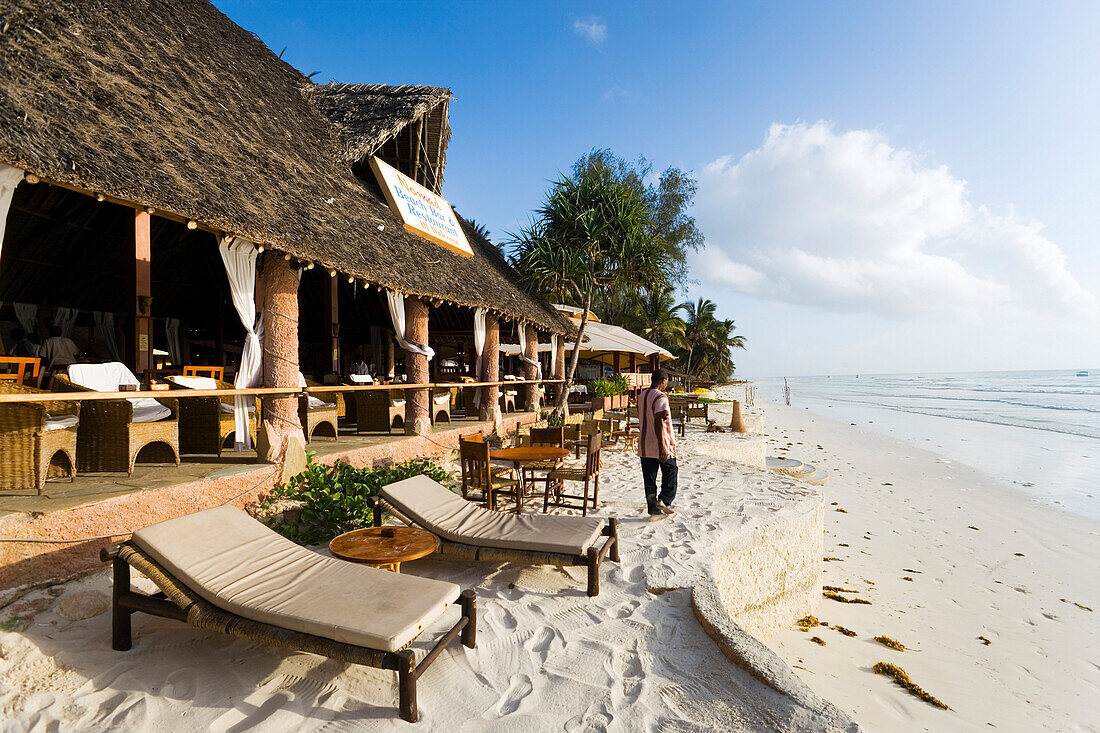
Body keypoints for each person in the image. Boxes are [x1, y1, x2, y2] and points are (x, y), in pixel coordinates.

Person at [637, 369, 677, 519]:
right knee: (671, 472)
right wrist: (662, 447)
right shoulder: (660, 397)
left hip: (644, 444)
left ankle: (653, 510)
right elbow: (659, 422)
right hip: (660, 443)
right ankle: (664, 500)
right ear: (663, 380)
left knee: (649, 479)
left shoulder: (641, 396)